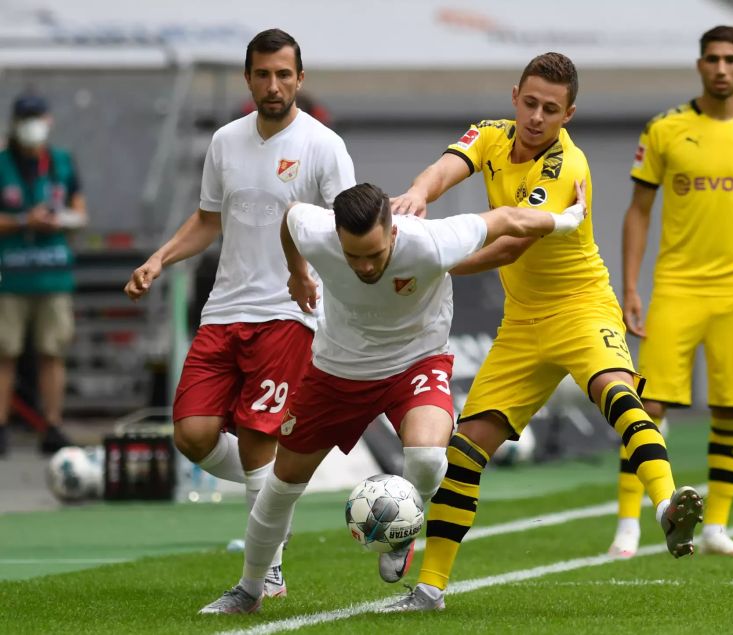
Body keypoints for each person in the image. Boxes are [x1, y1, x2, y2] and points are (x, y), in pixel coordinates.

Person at [385, 52, 703, 613]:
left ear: (568, 114)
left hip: (582, 308)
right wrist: (418, 194)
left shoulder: (566, 167)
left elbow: (510, 243)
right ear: (515, 97)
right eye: (529, 103)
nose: (536, 116)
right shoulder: (489, 134)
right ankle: (430, 589)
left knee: (620, 396)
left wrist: (434, 262)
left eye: (550, 109)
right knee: (465, 451)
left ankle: (665, 509)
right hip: (522, 324)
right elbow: (445, 167)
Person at [198, 180, 588, 614]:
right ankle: (249, 590)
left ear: (394, 231)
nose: (364, 267)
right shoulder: (319, 231)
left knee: (425, 456)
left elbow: (507, 219)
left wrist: (567, 219)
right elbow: (290, 217)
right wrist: (297, 272)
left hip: (415, 363)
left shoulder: (432, 242)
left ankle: (401, 533)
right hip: (337, 371)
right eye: (354, 256)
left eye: (375, 255)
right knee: (282, 484)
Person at [124, 28, 355, 595]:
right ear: (247, 78)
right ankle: (278, 496)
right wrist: (161, 259)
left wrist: (309, 275)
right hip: (224, 309)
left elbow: (348, 230)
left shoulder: (324, 145)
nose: (272, 85)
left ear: (300, 78)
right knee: (193, 435)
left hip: (288, 312)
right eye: (262, 74)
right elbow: (208, 218)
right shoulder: (225, 141)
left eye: (283, 74)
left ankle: (266, 570)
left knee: (257, 436)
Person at [608, 25, 733, 559]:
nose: (722, 68)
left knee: (731, 409)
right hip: (678, 286)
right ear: (700, 65)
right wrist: (631, 287)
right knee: (649, 404)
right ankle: (627, 525)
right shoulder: (665, 129)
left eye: (732, 59)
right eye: (713, 58)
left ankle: (716, 529)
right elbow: (638, 212)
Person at [0, 93, 88, 457]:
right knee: (5, 353)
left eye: (37, 117)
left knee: (53, 352)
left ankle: (52, 425)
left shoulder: (62, 163)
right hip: (11, 277)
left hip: (54, 276)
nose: (31, 124)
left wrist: (59, 219)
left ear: (47, 120)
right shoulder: (3, 163)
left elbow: (80, 214)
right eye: (26, 118)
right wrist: (24, 221)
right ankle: (1, 427)